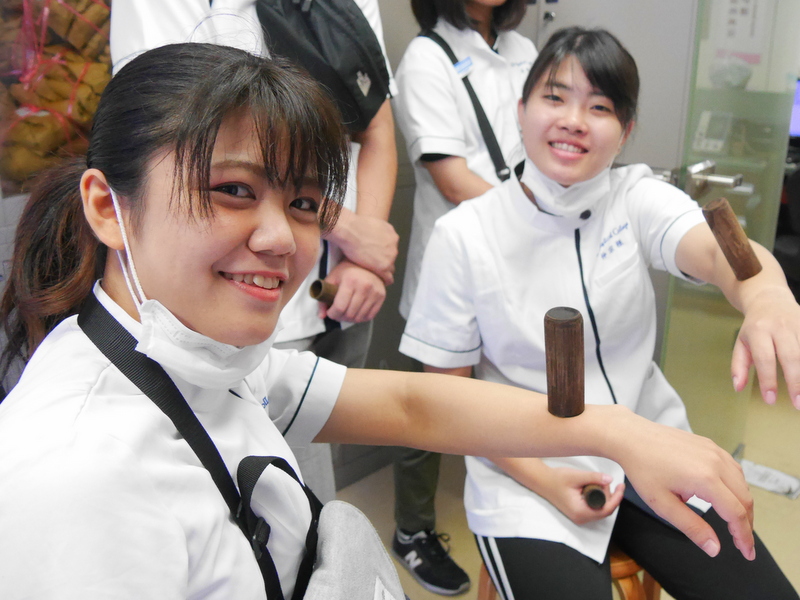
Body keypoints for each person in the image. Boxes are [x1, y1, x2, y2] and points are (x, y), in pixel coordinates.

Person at [0, 42, 760, 599]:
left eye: (305, 204)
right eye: (233, 190)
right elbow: (431, 381)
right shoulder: (74, 475)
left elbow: (408, 403)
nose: (280, 238)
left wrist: (628, 426)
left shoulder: (213, 360)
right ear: (107, 206)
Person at [399, 27, 800, 600]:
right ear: (521, 110)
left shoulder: (636, 196)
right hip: (529, 471)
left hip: (653, 447)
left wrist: (767, 295)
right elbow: (449, 400)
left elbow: (719, 251)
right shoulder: (464, 234)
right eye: (555, 97)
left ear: (626, 130)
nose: (573, 120)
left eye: (600, 107)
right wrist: (545, 480)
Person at [109, 0, 399, 503]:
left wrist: (364, 258)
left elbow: (375, 125)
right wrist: (350, 230)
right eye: (238, 191)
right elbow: (169, 149)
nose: (278, 235)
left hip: (341, 291)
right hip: (251, 309)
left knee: (304, 505)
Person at [390, 0, 535, 593]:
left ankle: (528, 510)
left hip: (523, 257)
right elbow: (451, 178)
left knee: (519, 394)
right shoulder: (427, 56)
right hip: (455, 262)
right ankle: (412, 531)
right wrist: (536, 221)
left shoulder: (524, 51)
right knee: (431, 409)